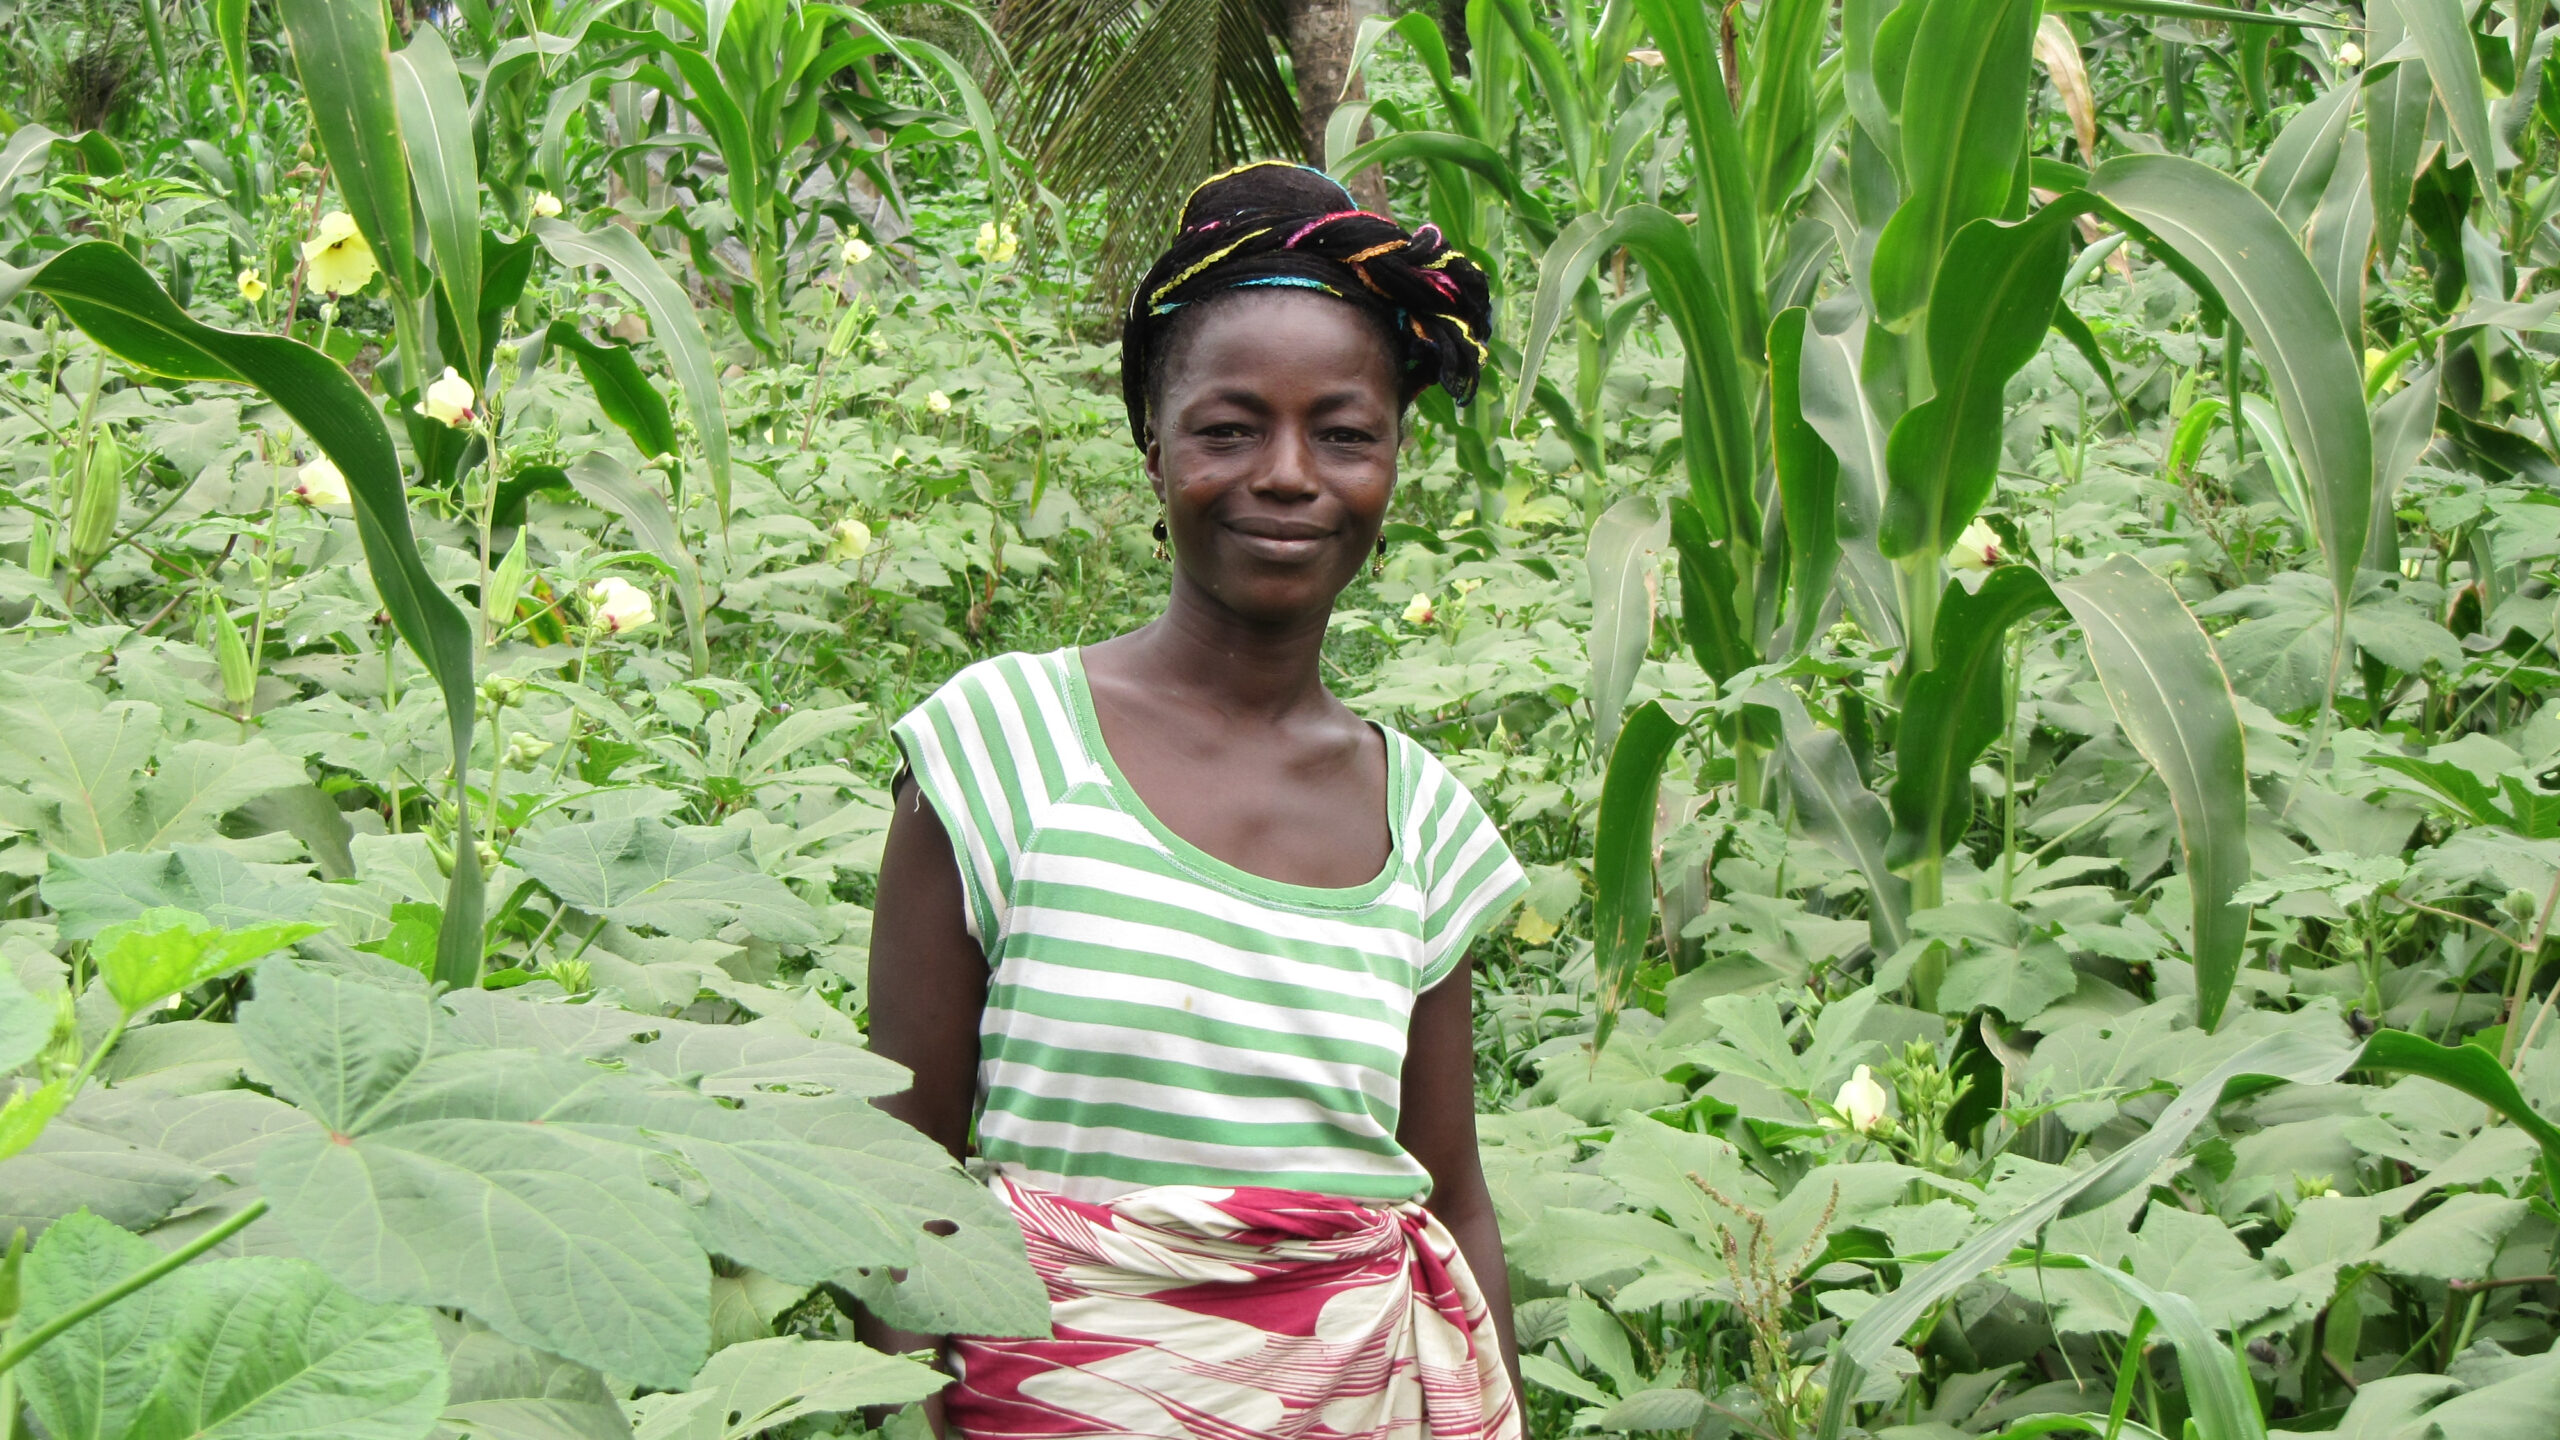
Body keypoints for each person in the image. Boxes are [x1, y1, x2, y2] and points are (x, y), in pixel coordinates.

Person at [865, 160, 1527, 1440]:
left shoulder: (1424, 821)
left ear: (1393, 460)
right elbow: (904, 1170)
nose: (1289, 474)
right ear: (1152, 442)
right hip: (1051, 1404)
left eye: (1345, 433)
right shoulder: (1001, 748)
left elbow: (1452, 1198)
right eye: (1229, 428)